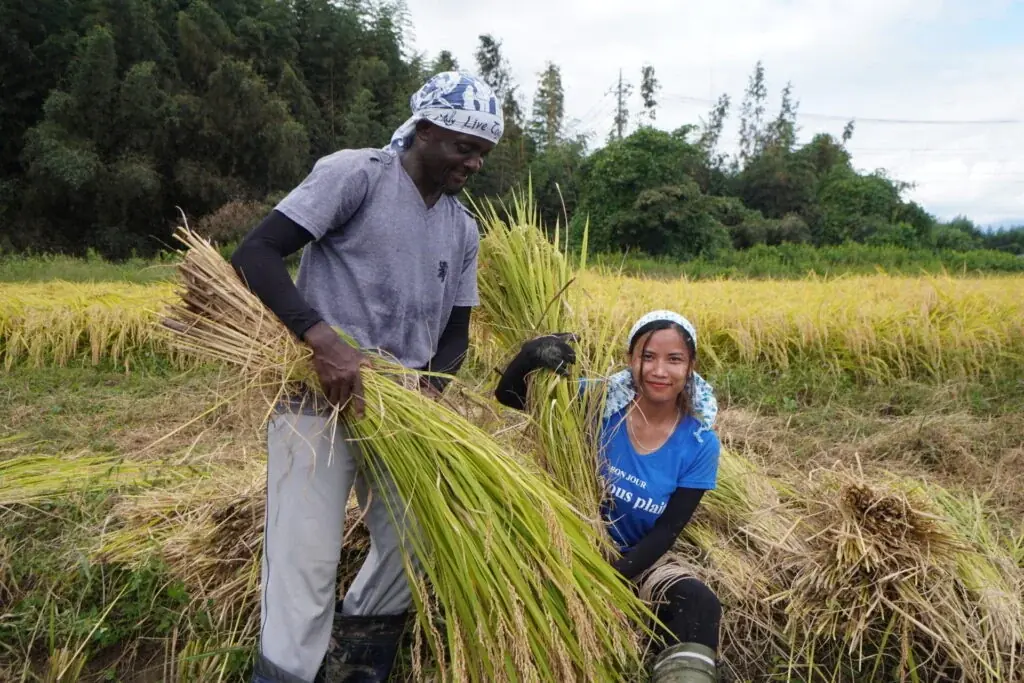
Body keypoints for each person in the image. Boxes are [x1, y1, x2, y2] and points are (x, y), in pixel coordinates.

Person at [230, 71, 504, 683]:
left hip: (401, 409)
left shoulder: (462, 227)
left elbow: (455, 329)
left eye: (483, 153)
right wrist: (320, 338)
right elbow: (255, 254)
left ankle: (357, 664)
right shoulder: (358, 174)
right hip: (316, 401)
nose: (474, 163)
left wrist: (436, 387)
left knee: (416, 542)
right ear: (426, 132)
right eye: (465, 147)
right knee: (304, 562)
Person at [495, 310, 724, 683]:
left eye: (674, 359)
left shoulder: (699, 443)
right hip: (564, 540)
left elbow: (667, 531)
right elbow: (510, 397)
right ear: (630, 360)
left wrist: (610, 577)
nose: (659, 371)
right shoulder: (597, 402)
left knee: (698, 603)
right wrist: (530, 355)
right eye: (647, 357)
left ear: (690, 366)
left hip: (637, 558)